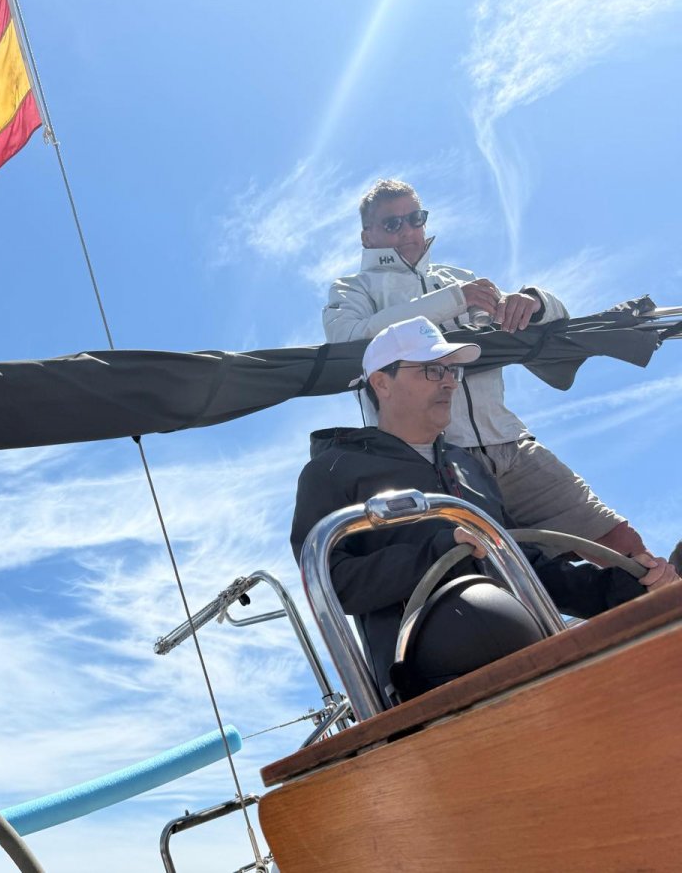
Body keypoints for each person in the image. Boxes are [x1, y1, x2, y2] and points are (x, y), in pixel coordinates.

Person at [290, 317, 677, 702]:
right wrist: (438, 551)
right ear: (381, 382)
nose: (449, 381)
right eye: (432, 369)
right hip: (427, 691)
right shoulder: (332, 469)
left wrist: (621, 587)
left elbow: (523, 564)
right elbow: (332, 583)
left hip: (533, 662)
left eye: (452, 370)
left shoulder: (468, 466)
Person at [323, 178, 651, 560]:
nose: (408, 231)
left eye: (415, 218)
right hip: (431, 458)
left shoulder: (460, 278)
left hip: (511, 443)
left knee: (623, 548)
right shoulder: (352, 289)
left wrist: (535, 302)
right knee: (491, 580)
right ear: (367, 237)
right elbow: (347, 340)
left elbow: (552, 325)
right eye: (392, 224)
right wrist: (451, 301)